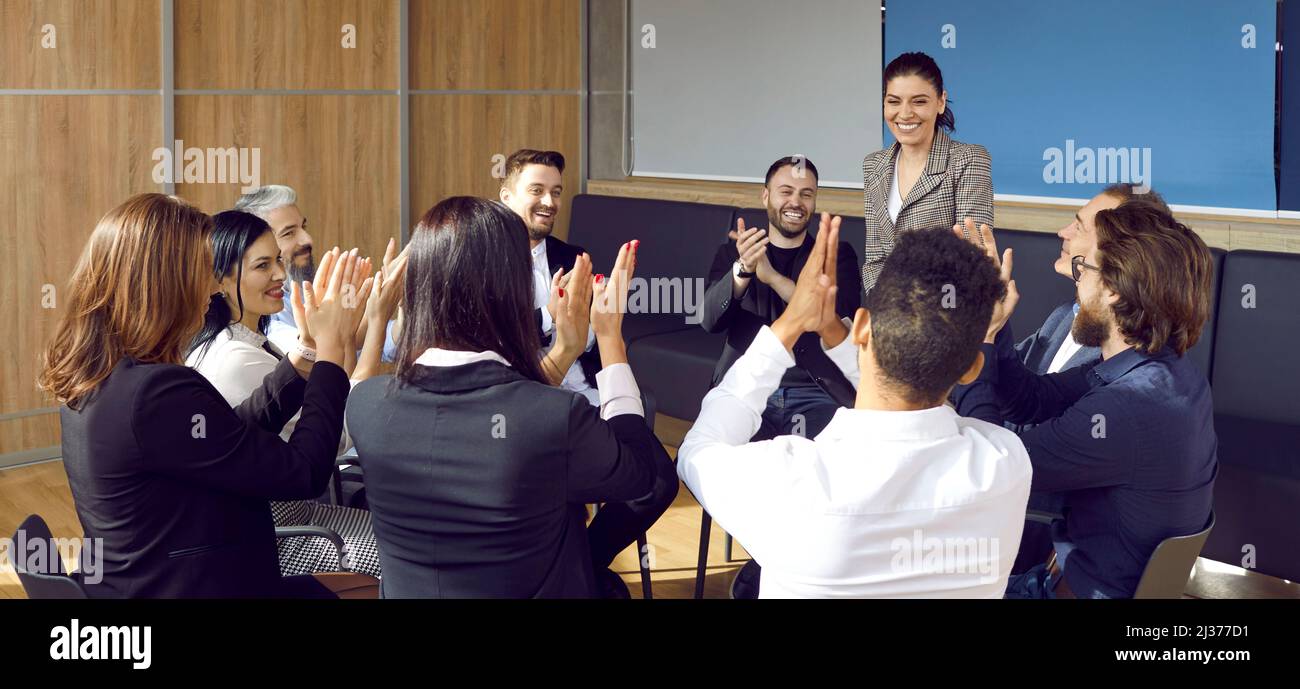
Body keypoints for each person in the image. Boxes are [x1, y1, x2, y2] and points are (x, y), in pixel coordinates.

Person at [678, 216, 1032, 598]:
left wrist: (788, 325)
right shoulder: (1006, 463)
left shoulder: (790, 482)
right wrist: (985, 330)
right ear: (971, 370)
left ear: (861, 326)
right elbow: (917, 390)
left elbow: (697, 450)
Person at [39, 193, 373, 598]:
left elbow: (230, 433)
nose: (213, 288)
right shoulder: (155, 393)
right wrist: (332, 353)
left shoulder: (99, 379)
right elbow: (303, 471)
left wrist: (306, 352)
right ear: (165, 284)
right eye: (202, 271)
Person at [346, 197, 676, 598]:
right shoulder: (556, 416)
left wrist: (565, 350)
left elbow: (496, 406)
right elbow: (647, 476)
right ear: (513, 290)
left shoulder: (365, 405)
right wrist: (609, 337)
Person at [953, 201, 1218, 598]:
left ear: (1112, 289)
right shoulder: (1163, 371)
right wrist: (995, 320)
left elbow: (987, 470)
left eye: (1084, 269)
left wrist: (982, 337)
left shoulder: (1126, 407)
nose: (1076, 280)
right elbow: (1030, 400)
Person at [187, 210, 404, 579]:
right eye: (262, 266)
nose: (280, 275)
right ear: (219, 280)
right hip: (281, 538)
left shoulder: (248, 340)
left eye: (277, 261)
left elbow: (334, 387)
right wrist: (376, 318)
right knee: (407, 559)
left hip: (301, 515)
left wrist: (334, 334)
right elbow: (331, 437)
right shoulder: (236, 357)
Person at [701, 155, 862, 438]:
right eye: (785, 191)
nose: (795, 202)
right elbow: (709, 321)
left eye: (806, 194)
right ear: (765, 196)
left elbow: (837, 324)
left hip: (816, 392)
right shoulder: (734, 252)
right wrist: (744, 270)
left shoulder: (837, 255)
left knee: (818, 471)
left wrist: (773, 279)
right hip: (747, 390)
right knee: (731, 469)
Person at [862, 52, 992, 295]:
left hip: (951, 313)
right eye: (893, 101)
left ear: (941, 102)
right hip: (892, 316)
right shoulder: (874, 165)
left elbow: (971, 258)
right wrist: (885, 311)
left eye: (919, 101)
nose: (905, 113)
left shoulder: (968, 159)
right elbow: (875, 259)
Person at [235, 184, 403, 361]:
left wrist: (403, 304)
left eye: (303, 227)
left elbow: (373, 343)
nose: (308, 239)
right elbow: (321, 351)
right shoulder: (262, 313)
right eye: (289, 233)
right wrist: (378, 305)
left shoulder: (301, 290)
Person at [496, 149, 601, 402]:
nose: (549, 202)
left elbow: (590, 343)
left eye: (556, 192)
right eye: (536, 190)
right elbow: (495, 337)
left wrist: (595, 319)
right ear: (507, 197)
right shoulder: (485, 261)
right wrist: (549, 315)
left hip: (586, 394)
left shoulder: (574, 256)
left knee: (636, 436)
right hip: (524, 399)